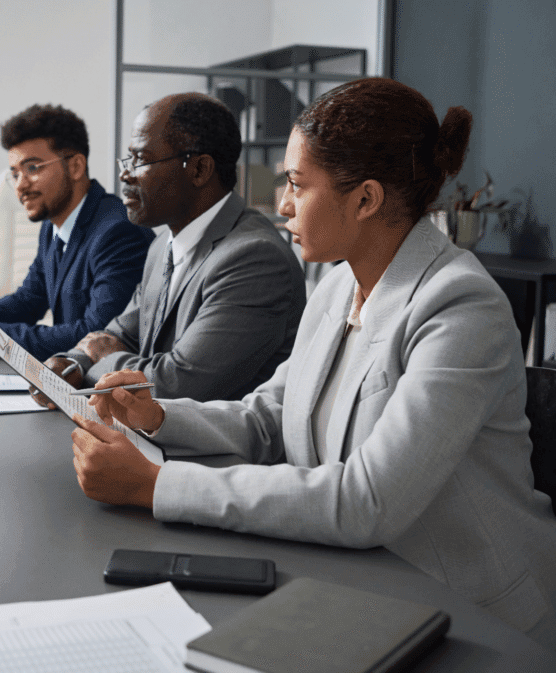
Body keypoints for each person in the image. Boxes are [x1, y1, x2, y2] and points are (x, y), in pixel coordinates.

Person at [70, 78, 556, 649]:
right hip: (361, 580)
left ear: (366, 199)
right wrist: (155, 418)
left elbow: (365, 500)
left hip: (472, 618)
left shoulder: (461, 307)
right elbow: (269, 416)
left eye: (296, 184)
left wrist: (158, 484)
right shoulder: (337, 283)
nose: (279, 205)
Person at [36, 93, 304, 406]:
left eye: (141, 160)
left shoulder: (255, 259)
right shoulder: (162, 244)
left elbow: (174, 386)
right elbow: (118, 335)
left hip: (212, 453)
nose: (125, 174)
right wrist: (71, 363)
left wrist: (101, 359)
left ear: (200, 170)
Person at [0, 103, 153, 361]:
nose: (20, 185)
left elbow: (97, 336)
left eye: (33, 168)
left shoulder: (118, 232)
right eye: (14, 173)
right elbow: (29, 300)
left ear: (76, 167)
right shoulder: (53, 225)